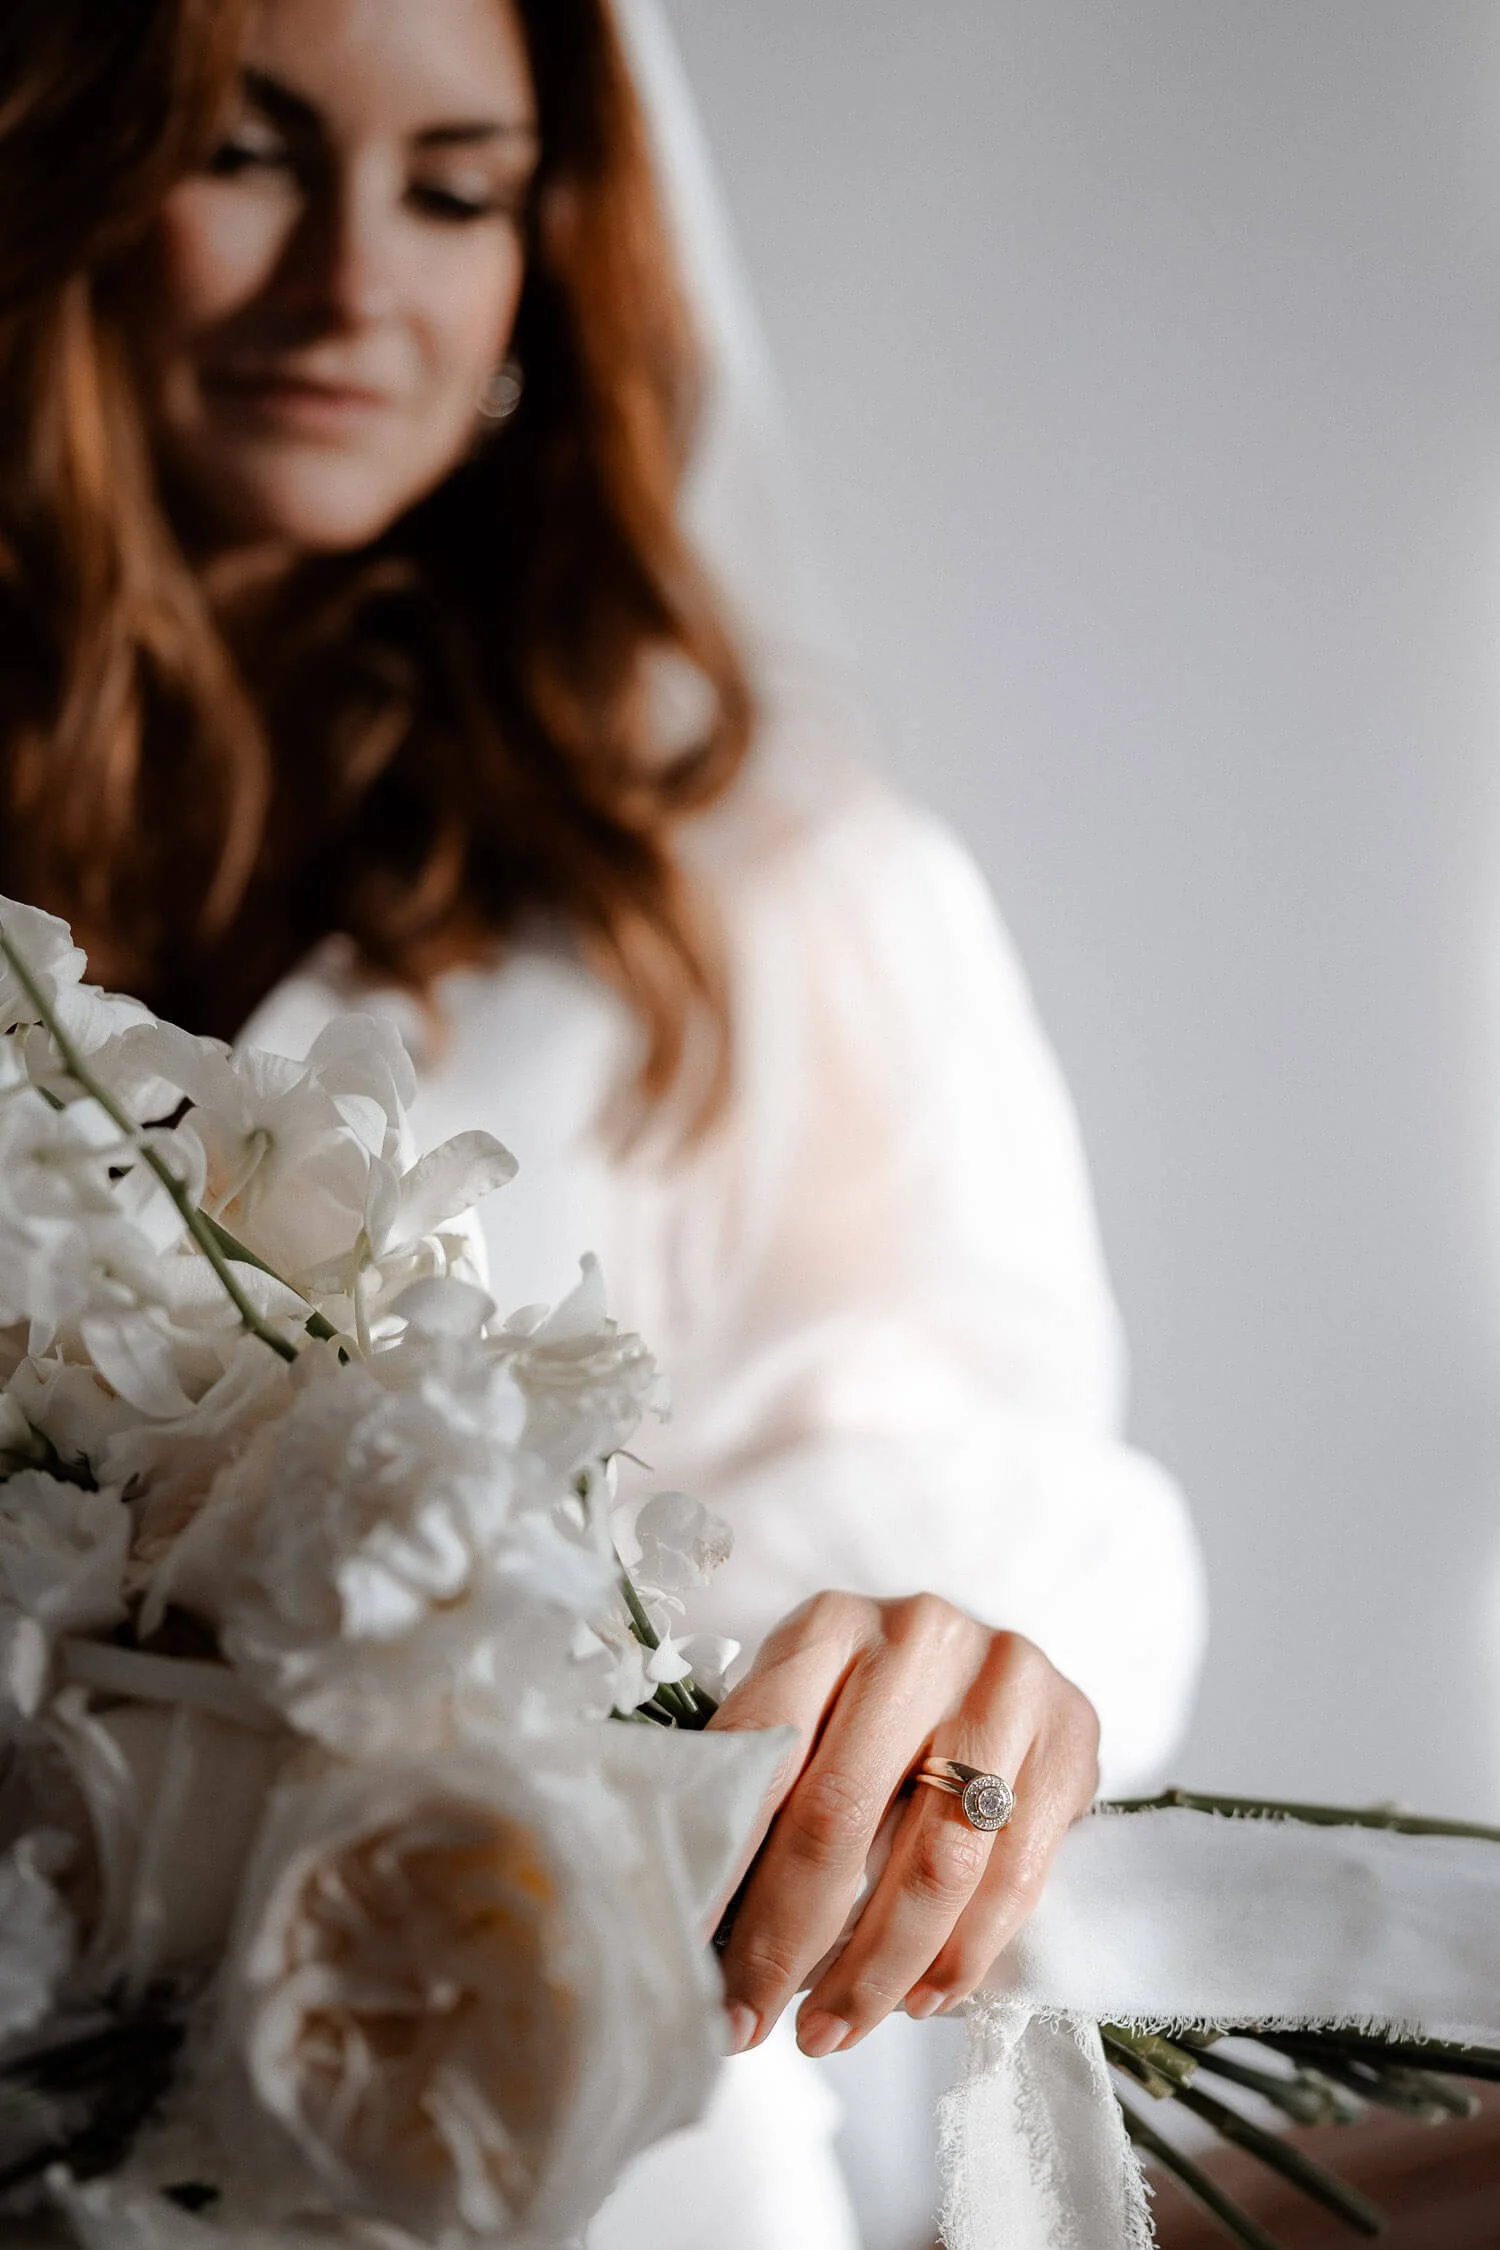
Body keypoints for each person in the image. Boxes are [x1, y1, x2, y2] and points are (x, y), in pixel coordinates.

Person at [0, 3, 1207, 2244]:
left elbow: (1002, 1501)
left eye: (458, 190)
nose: (360, 281)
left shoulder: (753, 906)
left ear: (549, 263)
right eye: (251, 158)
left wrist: (952, 1677)